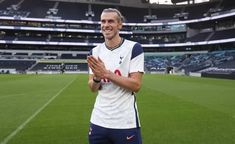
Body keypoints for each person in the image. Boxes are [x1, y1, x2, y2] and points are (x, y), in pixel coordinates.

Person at [87, 8, 144, 144]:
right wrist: (97, 78)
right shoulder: (94, 51)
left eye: (111, 21)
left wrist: (107, 74)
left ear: (120, 25)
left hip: (125, 123)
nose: (106, 25)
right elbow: (92, 88)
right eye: (103, 21)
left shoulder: (134, 48)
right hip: (98, 120)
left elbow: (136, 85)